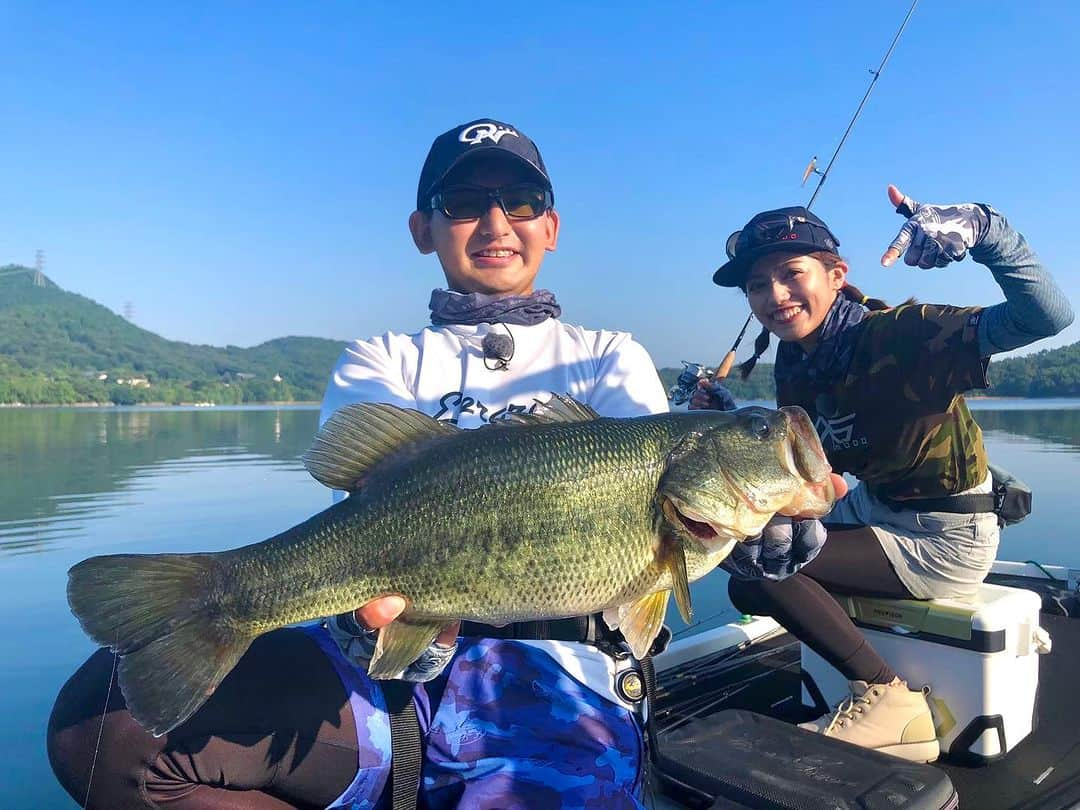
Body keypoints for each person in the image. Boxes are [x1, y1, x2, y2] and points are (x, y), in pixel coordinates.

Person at [48, 118, 675, 810]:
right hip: (385, 686)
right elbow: (370, 512)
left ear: (550, 226)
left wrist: (760, 545)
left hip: (565, 678)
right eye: (464, 203)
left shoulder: (610, 357)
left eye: (521, 202)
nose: (496, 221)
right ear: (422, 230)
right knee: (105, 726)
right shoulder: (379, 359)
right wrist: (364, 626)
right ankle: (233, 597)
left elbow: (669, 538)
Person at [692, 187, 1073, 763]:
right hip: (873, 506)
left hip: (944, 534)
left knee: (757, 576)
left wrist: (986, 229)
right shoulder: (798, 359)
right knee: (743, 542)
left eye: (792, 274)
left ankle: (888, 698)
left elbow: (1048, 315)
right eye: (756, 284)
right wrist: (727, 420)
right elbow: (823, 470)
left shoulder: (905, 336)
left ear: (836, 274)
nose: (775, 295)